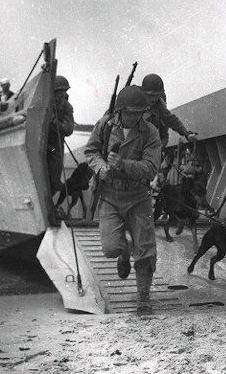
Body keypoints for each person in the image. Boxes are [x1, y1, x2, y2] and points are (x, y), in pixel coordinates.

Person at [84, 85, 161, 316]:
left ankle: (143, 299)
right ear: (119, 111)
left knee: (146, 249)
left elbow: (151, 167)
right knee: (110, 248)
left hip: (138, 197)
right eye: (129, 113)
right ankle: (125, 252)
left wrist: (123, 165)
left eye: (138, 113)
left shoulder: (150, 133)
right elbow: (91, 151)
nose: (133, 117)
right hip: (110, 195)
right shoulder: (105, 125)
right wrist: (101, 168)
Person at [141, 73, 197, 148]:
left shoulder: (159, 106)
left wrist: (186, 134)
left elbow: (172, 120)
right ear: (144, 93)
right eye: (151, 95)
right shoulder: (134, 102)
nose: (154, 99)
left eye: (157, 95)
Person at [47, 75, 75, 196]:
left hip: (55, 146)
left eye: (64, 91)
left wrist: (53, 121)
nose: (62, 94)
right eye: (59, 92)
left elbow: (68, 129)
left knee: (54, 181)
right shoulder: (45, 104)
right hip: (40, 143)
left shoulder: (67, 107)